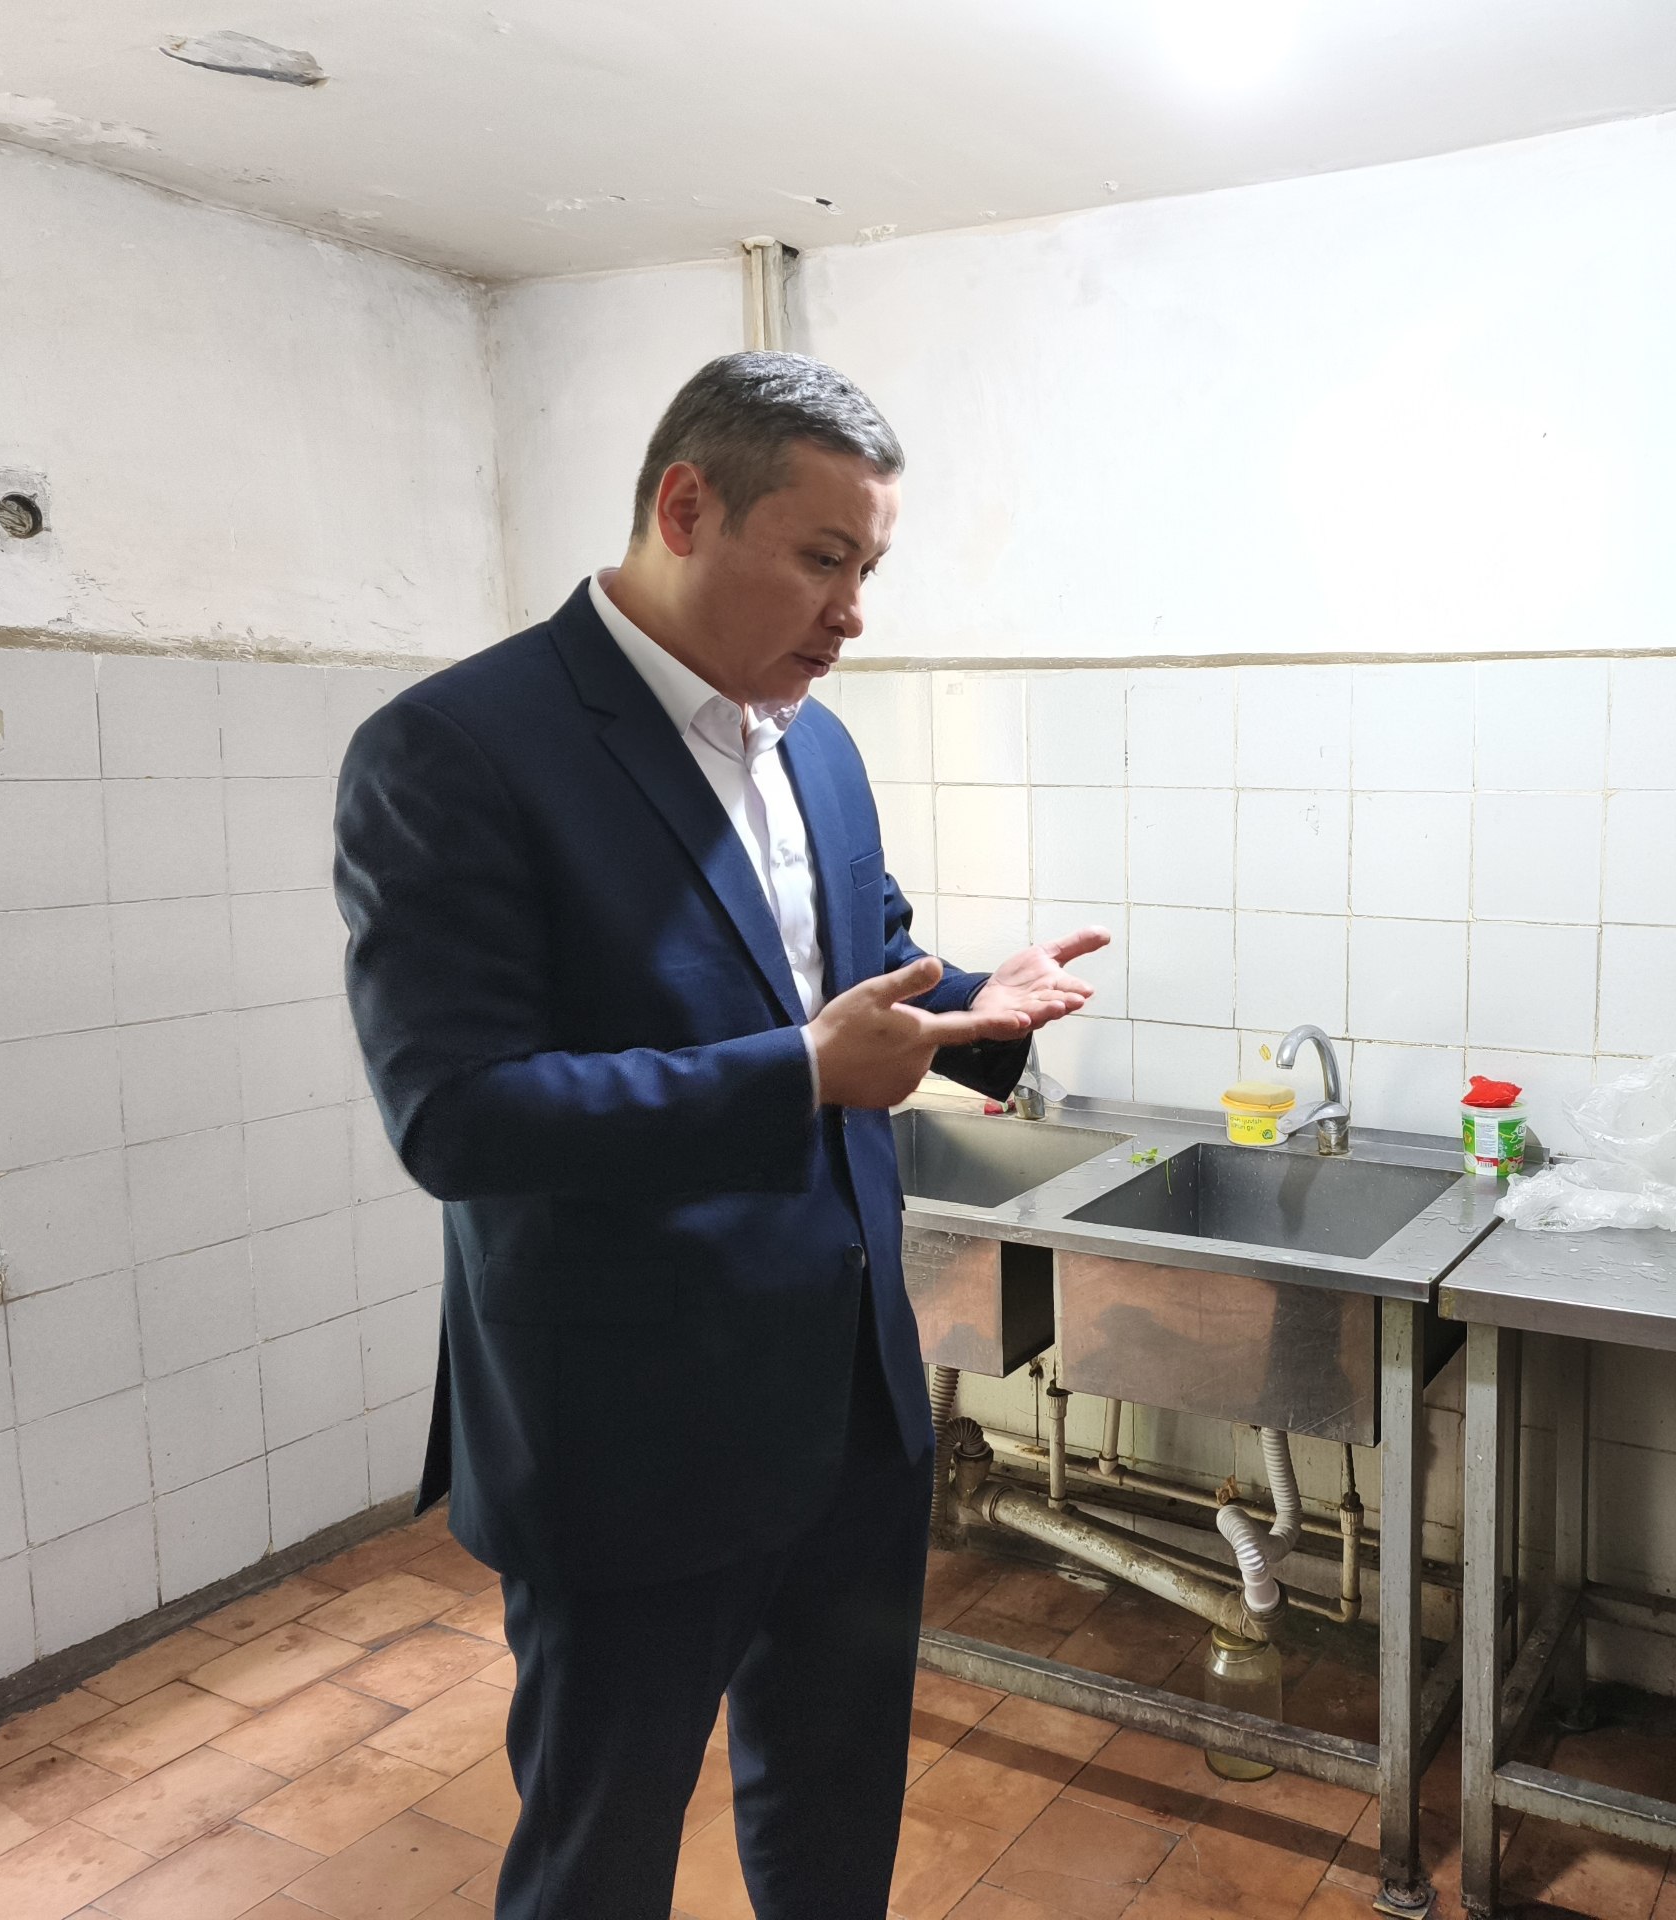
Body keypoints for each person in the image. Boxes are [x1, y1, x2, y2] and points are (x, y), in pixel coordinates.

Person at [334, 352, 1108, 1920]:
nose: (854, 614)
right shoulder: (455, 750)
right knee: (602, 1848)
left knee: (835, 1814)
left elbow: (854, 958)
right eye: (824, 559)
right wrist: (800, 1075)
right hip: (629, 1433)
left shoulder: (816, 742)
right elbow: (457, 1114)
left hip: (850, 1410)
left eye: (869, 568)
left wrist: (980, 1004)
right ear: (686, 509)